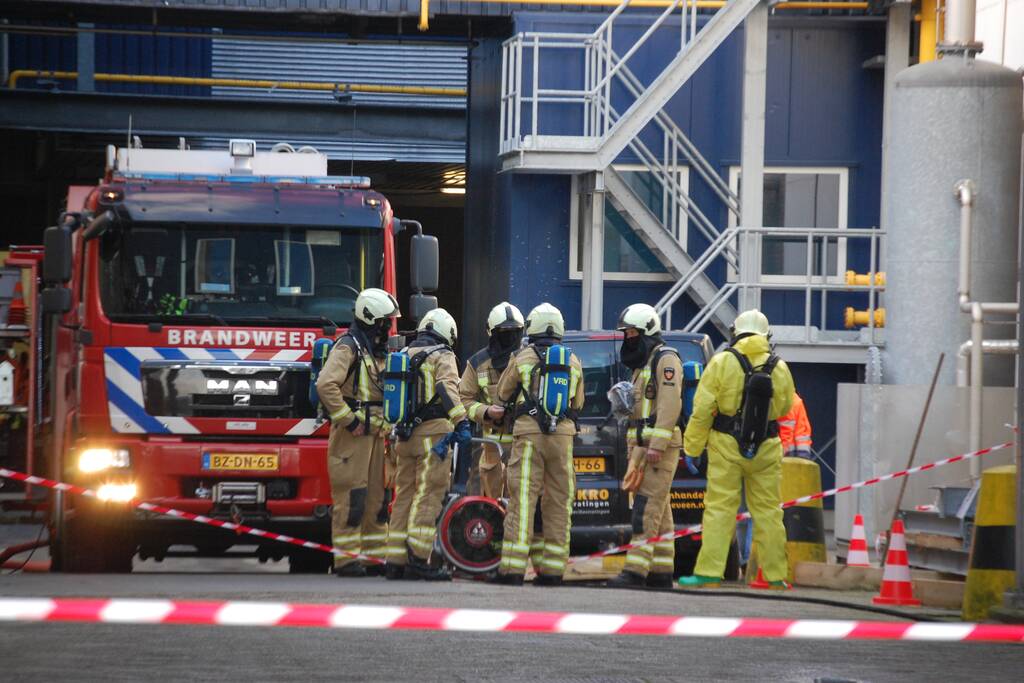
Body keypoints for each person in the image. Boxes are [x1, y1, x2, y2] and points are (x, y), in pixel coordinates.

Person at [679, 309, 794, 589]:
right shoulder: (779, 367)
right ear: (766, 335)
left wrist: (692, 447)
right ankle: (775, 576)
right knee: (769, 512)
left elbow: (702, 410)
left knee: (720, 509)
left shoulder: (722, 362)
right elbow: (785, 407)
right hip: (766, 447)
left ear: (735, 332)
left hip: (726, 446)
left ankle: (709, 573)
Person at [492, 303, 584, 586]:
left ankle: (512, 569)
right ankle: (554, 571)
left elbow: (502, 394)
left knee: (523, 500)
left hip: (530, 435)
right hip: (563, 439)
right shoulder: (573, 361)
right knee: (558, 502)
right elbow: (578, 403)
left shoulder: (522, 358)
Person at [315, 288, 399, 577]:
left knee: (378, 499)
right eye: (385, 322)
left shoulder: (375, 350)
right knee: (352, 497)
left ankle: (374, 557)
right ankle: (347, 560)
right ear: (371, 319)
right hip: (352, 435)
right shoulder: (348, 347)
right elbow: (325, 384)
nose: (388, 327)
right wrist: (349, 421)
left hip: (376, 435)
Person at [384, 308, 470, 581]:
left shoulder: (404, 354)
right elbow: (446, 388)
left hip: (404, 437)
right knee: (429, 494)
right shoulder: (443, 356)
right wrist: (461, 420)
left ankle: (395, 559)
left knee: (404, 496)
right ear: (448, 333)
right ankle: (418, 559)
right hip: (433, 436)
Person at [607, 303, 683, 589]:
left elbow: (669, 405)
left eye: (632, 333)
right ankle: (662, 571)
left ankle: (635, 571)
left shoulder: (666, 360)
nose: (628, 338)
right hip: (643, 445)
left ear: (647, 331)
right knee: (660, 511)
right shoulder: (643, 364)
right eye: (625, 333)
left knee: (646, 508)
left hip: (657, 448)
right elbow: (641, 410)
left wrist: (658, 445)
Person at [459, 302, 525, 498]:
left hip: (523, 443)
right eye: (503, 333)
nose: (509, 338)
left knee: (520, 498)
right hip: (488, 446)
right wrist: (486, 411)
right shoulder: (477, 363)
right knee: (483, 498)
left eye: (514, 332)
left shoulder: (528, 360)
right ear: (492, 333)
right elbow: (464, 399)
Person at [779, 392, 813, 459]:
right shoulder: (796, 400)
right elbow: (803, 430)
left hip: (782, 452)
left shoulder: (779, 400)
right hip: (796, 452)